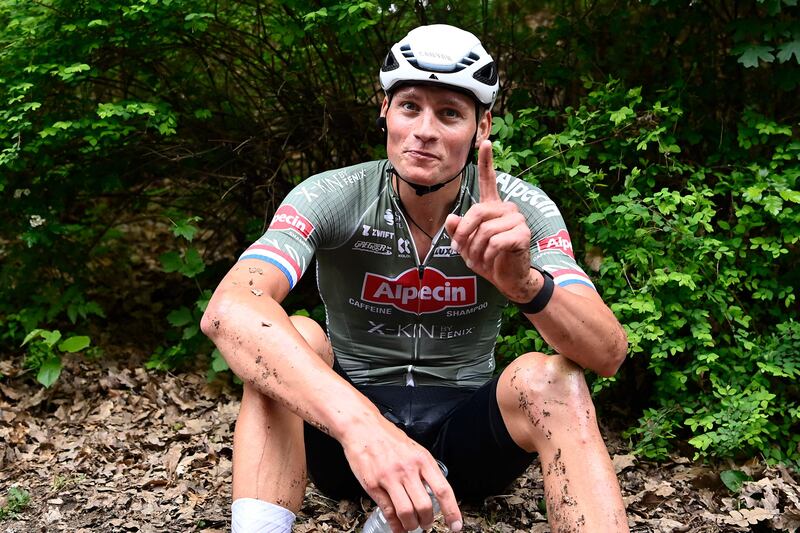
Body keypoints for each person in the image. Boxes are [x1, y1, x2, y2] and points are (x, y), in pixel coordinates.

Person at [201, 24, 630, 533]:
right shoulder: (331, 194)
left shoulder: (520, 209)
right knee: (295, 336)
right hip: (350, 441)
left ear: (483, 126)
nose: (425, 130)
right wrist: (365, 429)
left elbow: (608, 353)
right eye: (410, 107)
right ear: (384, 111)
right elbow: (229, 308)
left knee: (553, 378)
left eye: (450, 113)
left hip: (466, 439)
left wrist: (526, 285)